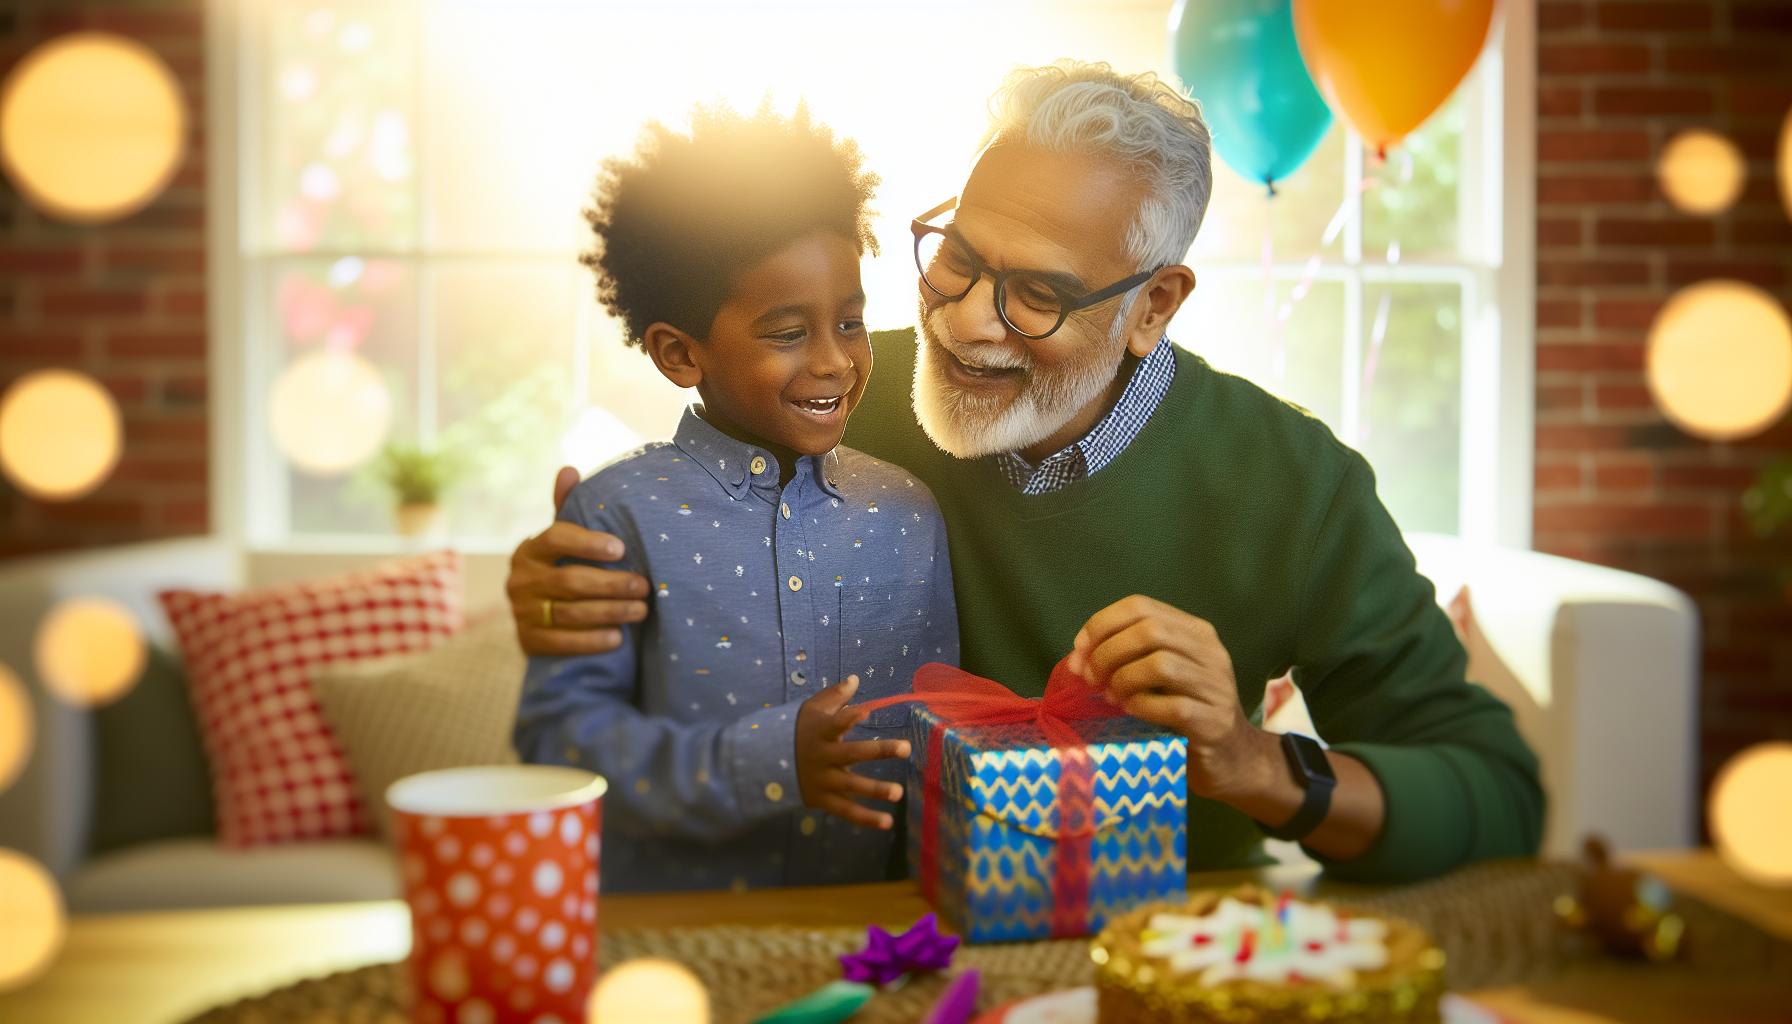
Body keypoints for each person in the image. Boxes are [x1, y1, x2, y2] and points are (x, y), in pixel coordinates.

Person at [508, 62, 1543, 883]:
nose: (962, 322)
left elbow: (1495, 792)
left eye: (1037, 292)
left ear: (1153, 306)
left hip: (1161, 951)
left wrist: (1252, 763)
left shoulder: (1294, 484)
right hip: (891, 928)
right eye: (956, 256)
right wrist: (566, 581)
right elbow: (685, 519)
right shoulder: (844, 396)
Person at [512, 104, 958, 893]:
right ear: (680, 354)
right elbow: (560, 747)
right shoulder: (616, 516)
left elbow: (937, 740)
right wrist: (767, 761)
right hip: (673, 940)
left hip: (868, 932)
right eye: (787, 333)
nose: (835, 363)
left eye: (850, 323)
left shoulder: (909, 514)